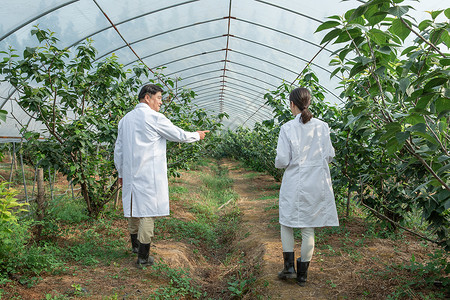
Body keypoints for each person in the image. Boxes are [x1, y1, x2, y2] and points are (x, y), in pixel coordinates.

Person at [114, 84, 209, 269]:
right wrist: (197, 135)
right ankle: (143, 256)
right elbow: (178, 134)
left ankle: (135, 247)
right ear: (147, 97)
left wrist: (121, 172)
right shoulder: (154, 118)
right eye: (158, 98)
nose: (160, 103)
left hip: (131, 175)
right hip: (149, 176)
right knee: (148, 213)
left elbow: (118, 149)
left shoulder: (125, 120)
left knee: (133, 209)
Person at [275, 87, 339, 286]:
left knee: (287, 222)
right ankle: (302, 275)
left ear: (292, 104)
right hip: (316, 183)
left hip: (294, 182)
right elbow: (329, 155)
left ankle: (289, 268)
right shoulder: (323, 126)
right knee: (308, 227)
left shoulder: (287, 128)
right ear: (308, 102)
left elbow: (282, 160)